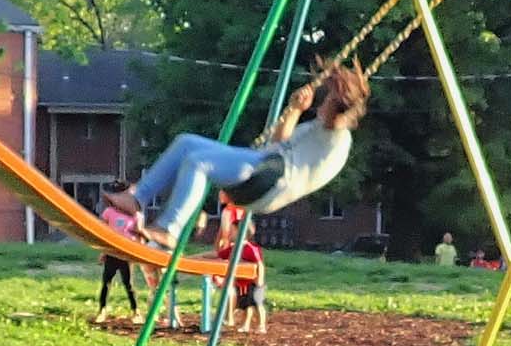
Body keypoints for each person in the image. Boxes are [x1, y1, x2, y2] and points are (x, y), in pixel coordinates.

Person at [135, 61, 369, 247]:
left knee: (198, 162)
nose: (322, 104)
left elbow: (341, 114)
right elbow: (279, 143)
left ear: (337, 108)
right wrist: (295, 110)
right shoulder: (317, 128)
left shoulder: (337, 136)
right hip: (269, 170)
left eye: (328, 101)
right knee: (186, 143)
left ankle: (169, 230)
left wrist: (343, 90)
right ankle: (137, 198)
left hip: (272, 179)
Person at [92, 180, 142, 324]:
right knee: (106, 282)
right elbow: (104, 231)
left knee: (128, 283)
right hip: (112, 251)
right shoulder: (109, 212)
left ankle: (136, 311)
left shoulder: (136, 214)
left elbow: (139, 234)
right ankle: (102, 310)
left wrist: (138, 251)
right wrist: (103, 251)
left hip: (127, 252)